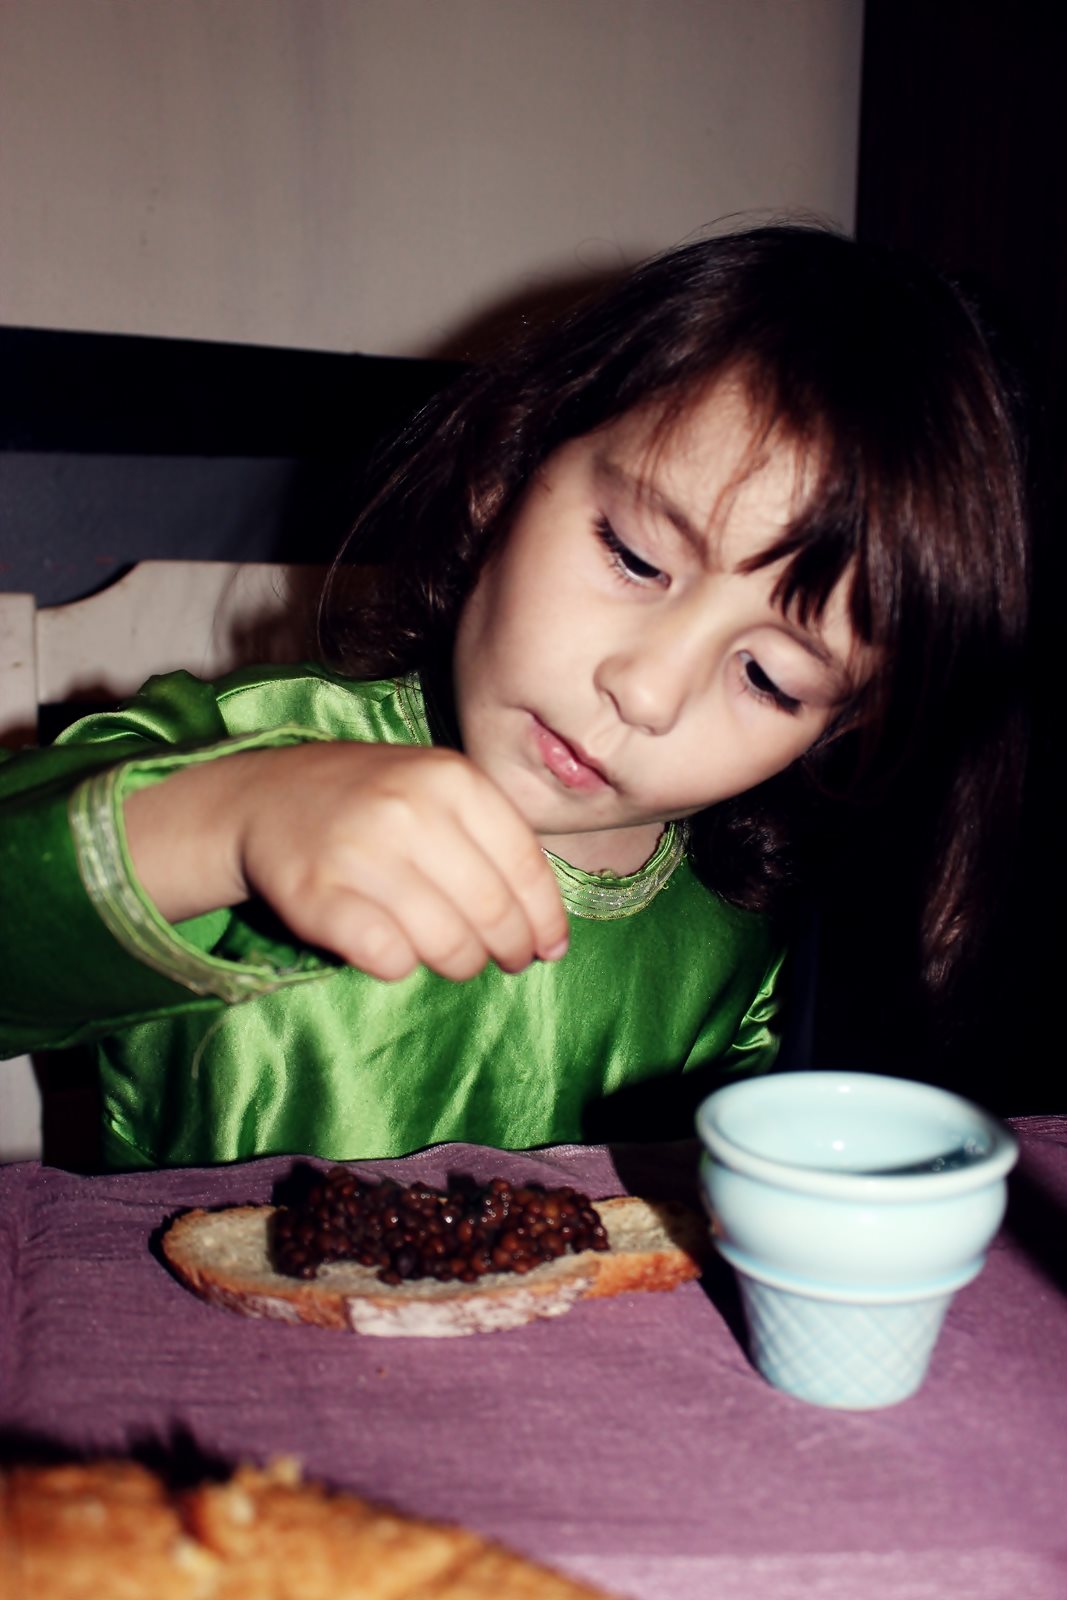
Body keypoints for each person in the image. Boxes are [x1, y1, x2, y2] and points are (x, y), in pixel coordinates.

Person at [0, 223, 1029, 1170]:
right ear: (505, 468)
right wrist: (225, 824)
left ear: (838, 730)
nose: (646, 689)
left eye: (769, 678)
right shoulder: (235, 751)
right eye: (632, 555)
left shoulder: (729, 932)